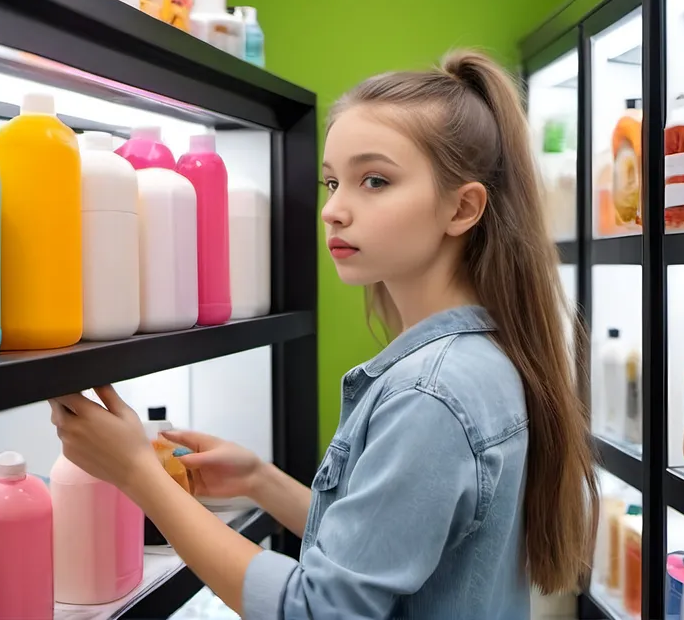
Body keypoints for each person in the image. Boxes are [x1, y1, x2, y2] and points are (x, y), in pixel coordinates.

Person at [49, 49, 599, 620]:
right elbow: (387, 548)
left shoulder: (430, 396)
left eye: (375, 180)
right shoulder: (476, 361)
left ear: (462, 208)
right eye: (332, 182)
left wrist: (140, 476)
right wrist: (260, 480)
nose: (334, 210)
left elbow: (318, 611)